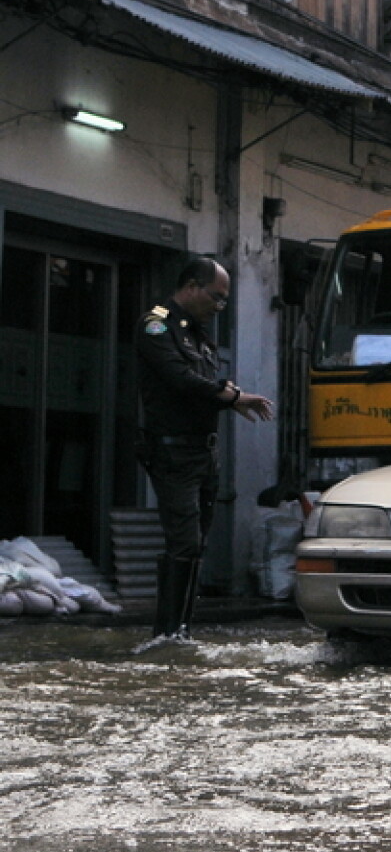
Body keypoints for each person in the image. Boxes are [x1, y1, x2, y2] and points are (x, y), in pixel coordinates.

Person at [136, 257, 275, 638]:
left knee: (196, 544)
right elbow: (180, 379)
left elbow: (202, 380)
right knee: (183, 541)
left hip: (203, 451)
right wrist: (233, 396)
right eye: (216, 297)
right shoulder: (156, 324)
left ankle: (182, 629)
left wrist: (227, 396)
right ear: (192, 287)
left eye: (224, 300)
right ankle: (167, 635)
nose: (219, 306)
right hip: (172, 451)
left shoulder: (197, 332)